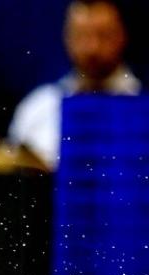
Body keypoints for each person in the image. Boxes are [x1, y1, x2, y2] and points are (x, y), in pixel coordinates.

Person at [8, 0, 141, 171]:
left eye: (103, 35)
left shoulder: (143, 107)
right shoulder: (38, 108)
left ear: (122, 35)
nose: (92, 48)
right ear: (67, 38)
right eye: (81, 36)